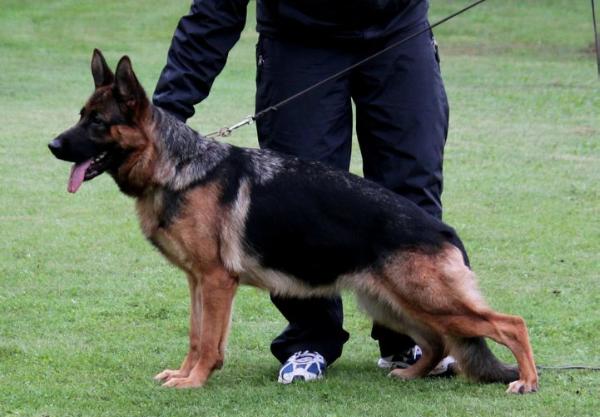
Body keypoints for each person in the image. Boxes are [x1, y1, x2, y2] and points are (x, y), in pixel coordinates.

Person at [153, 0, 464, 383]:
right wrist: (166, 111)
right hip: (298, 39)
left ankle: (412, 338)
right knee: (296, 203)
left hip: (398, 27)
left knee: (413, 185)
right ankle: (310, 339)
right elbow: (216, 9)